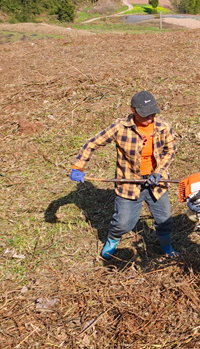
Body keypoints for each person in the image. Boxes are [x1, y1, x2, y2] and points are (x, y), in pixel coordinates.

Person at [69, 91, 178, 258]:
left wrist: (159, 172)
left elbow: (170, 150)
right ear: (133, 110)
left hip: (156, 182)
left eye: (152, 113)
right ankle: (112, 240)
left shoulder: (162, 127)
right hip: (129, 182)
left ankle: (166, 246)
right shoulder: (120, 127)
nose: (149, 118)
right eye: (144, 114)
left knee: (165, 219)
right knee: (123, 222)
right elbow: (93, 143)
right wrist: (79, 166)